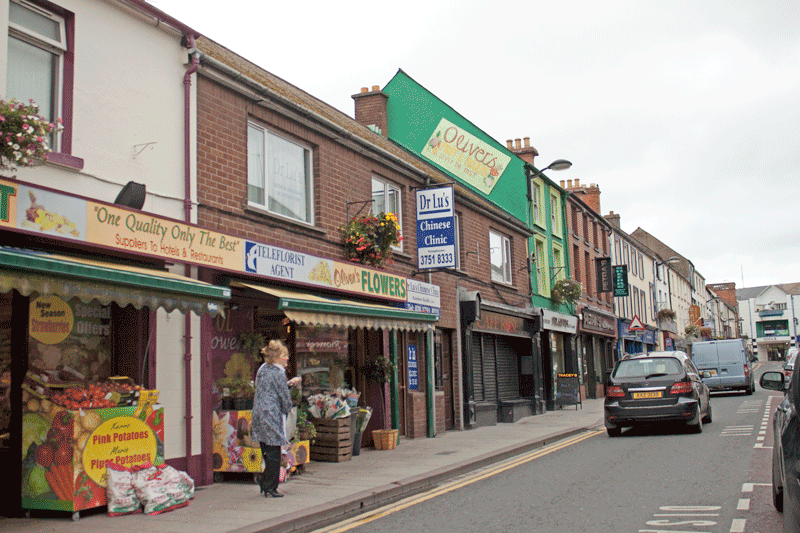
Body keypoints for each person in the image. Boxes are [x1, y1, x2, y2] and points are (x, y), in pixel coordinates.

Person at [251, 339, 301, 498]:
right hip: (272, 415)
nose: (287, 359)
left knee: (266, 451)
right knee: (274, 453)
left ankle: (264, 481)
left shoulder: (263, 369)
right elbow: (283, 397)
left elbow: (267, 389)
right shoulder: (279, 372)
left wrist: (288, 383)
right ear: (277, 357)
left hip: (259, 414)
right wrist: (288, 409)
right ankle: (270, 487)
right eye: (284, 356)